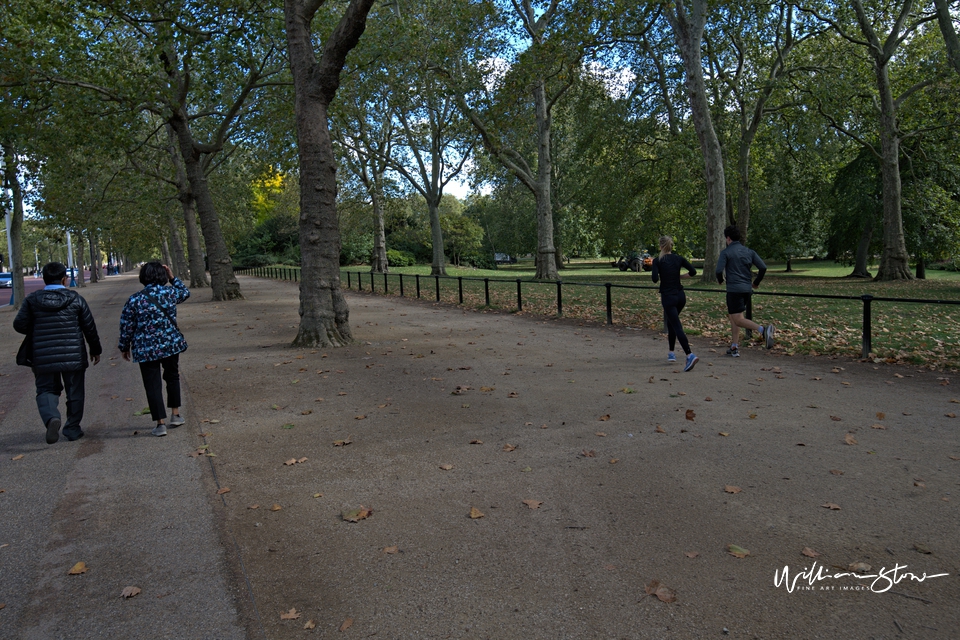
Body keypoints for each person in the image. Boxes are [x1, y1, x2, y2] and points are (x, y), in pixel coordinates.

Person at [13, 262, 102, 444]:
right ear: (64, 279)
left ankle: (52, 417)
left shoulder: (32, 300)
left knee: (45, 389)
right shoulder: (75, 299)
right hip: (73, 354)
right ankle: (72, 429)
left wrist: (38, 329)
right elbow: (89, 327)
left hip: (43, 354)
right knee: (75, 391)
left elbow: (19, 324)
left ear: (44, 279)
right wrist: (95, 350)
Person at [118, 262, 190, 437]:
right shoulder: (170, 294)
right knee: (172, 377)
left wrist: (124, 346)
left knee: (152, 384)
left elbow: (127, 325)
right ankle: (175, 414)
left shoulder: (135, 299)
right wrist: (172, 278)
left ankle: (160, 423)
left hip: (145, 348)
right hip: (170, 345)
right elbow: (185, 293)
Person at [715, 225, 775, 357]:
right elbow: (763, 267)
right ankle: (734, 346)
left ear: (728, 238)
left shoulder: (726, 252)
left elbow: (719, 270)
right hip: (747, 289)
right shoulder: (749, 251)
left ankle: (763, 330)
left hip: (734, 290)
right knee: (734, 316)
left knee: (737, 319)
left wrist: (720, 280)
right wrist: (756, 283)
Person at [651, 236, 699, 372]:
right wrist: (680, 277)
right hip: (680, 296)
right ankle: (671, 352)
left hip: (668, 297)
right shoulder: (679, 259)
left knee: (676, 325)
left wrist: (662, 274)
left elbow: (654, 279)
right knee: (672, 322)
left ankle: (689, 354)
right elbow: (693, 272)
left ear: (660, 246)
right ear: (671, 246)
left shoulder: (658, 261)